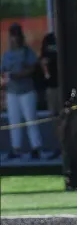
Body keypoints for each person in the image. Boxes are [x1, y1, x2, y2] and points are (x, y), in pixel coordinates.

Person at [0, 23, 43, 159]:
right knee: (14, 121)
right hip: (12, 92)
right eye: (13, 36)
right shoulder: (7, 54)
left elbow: (32, 69)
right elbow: (3, 71)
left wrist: (18, 74)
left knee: (31, 120)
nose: (15, 39)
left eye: (17, 35)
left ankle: (36, 147)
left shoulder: (27, 51)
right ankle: (16, 148)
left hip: (27, 91)